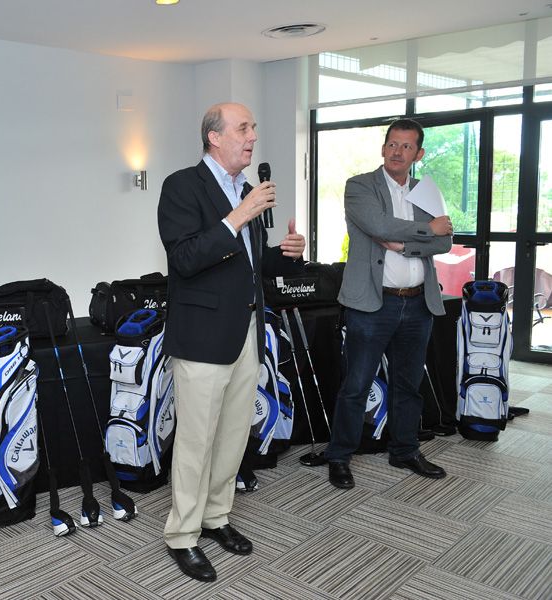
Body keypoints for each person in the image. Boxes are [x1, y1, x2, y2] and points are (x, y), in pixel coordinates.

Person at [157, 102, 306, 582]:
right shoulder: (182, 186)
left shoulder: (244, 191)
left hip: (246, 332)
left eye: (254, 128)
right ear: (214, 137)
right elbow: (184, 259)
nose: (252, 136)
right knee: (197, 441)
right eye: (243, 128)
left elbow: (251, 265)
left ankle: (216, 517)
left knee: (232, 436)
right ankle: (182, 535)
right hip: (202, 337)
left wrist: (286, 256)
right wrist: (237, 216)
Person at [325, 118, 453, 490]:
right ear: (383, 148)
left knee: (408, 385)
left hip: (417, 304)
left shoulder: (426, 192)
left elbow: (445, 242)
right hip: (371, 305)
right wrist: (426, 231)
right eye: (392, 144)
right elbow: (377, 225)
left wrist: (406, 244)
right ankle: (339, 456)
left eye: (406, 146)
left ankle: (405, 449)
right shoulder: (359, 186)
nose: (397, 152)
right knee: (357, 384)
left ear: (419, 153)